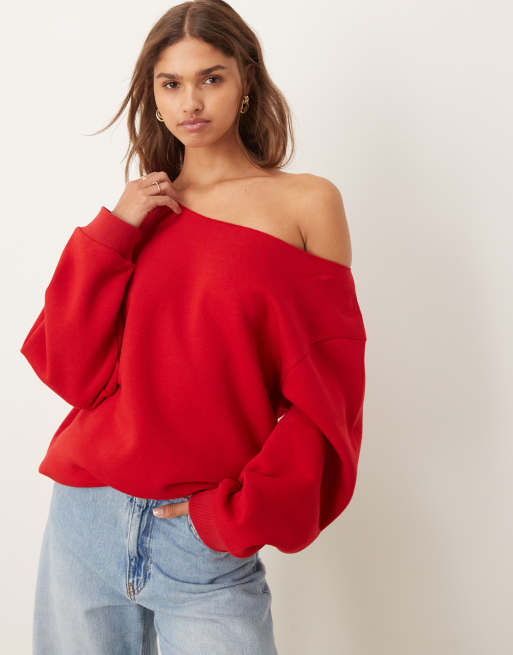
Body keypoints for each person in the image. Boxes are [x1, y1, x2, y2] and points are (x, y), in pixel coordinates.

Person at [20, 1, 367, 653]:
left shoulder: (306, 203)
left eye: (210, 78)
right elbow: (71, 371)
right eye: (171, 84)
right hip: (86, 518)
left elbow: (329, 398)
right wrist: (113, 230)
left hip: (204, 537)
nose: (191, 102)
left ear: (245, 80)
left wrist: (235, 512)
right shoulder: (144, 212)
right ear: (152, 97)